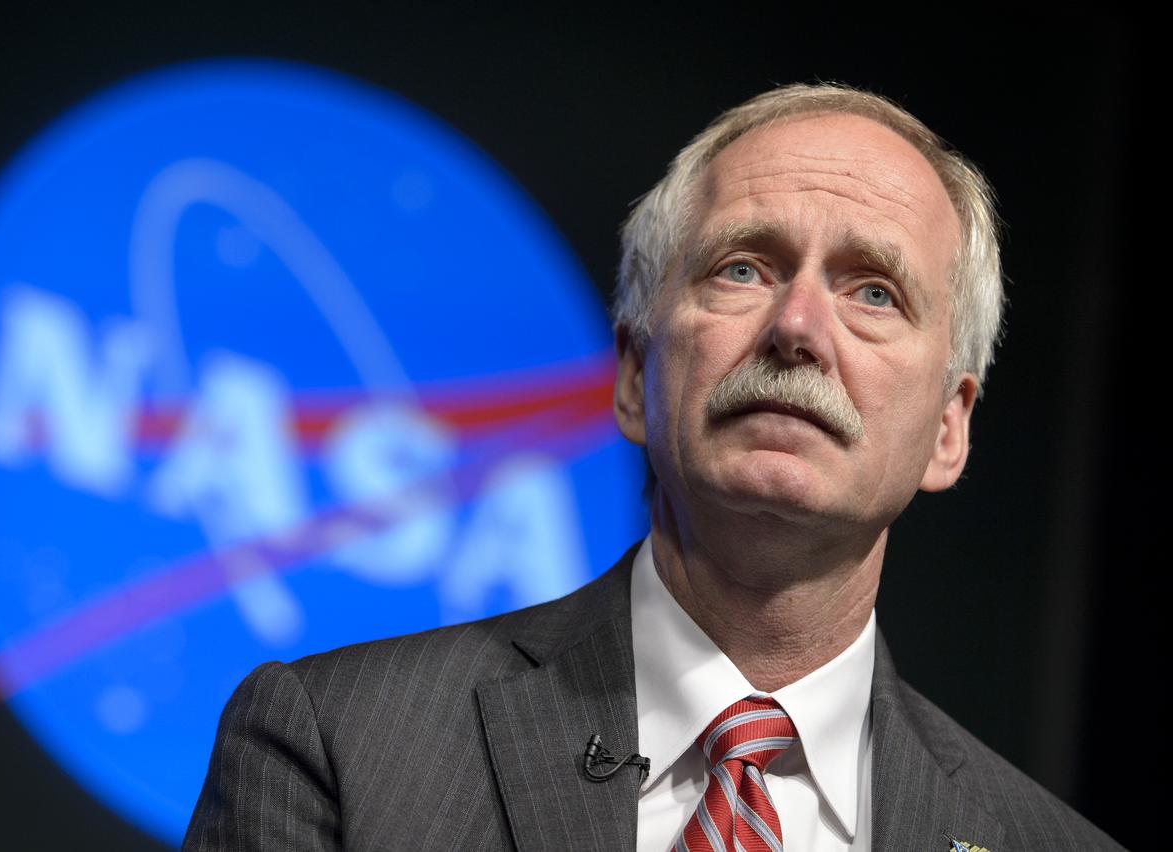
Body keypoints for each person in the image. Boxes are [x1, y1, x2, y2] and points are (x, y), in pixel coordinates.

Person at [183, 83, 1122, 851]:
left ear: (949, 431)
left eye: (874, 291)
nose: (798, 329)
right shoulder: (337, 748)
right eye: (745, 268)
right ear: (635, 372)